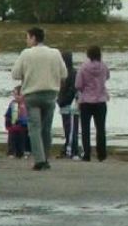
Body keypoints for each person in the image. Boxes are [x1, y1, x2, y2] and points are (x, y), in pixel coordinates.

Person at [12, 27, 67, 170]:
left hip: (32, 95)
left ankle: (39, 159)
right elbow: (64, 74)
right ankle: (46, 158)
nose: (27, 40)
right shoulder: (55, 53)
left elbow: (15, 74)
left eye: (27, 37)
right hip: (50, 94)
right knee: (46, 128)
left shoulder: (26, 53)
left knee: (34, 128)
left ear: (33, 38)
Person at [75, 45, 111, 162]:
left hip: (86, 100)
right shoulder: (103, 66)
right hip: (101, 100)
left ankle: (87, 154)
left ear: (88, 54)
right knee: (100, 128)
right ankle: (102, 154)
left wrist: (85, 90)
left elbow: (78, 84)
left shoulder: (84, 67)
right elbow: (107, 77)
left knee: (85, 128)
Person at [57, 51, 80, 159]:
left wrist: (64, 100)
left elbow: (73, 90)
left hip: (71, 106)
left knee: (71, 129)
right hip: (64, 105)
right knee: (69, 129)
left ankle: (72, 151)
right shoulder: (65, 73)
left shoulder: (72, 73)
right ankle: (69, 148)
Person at [5, 86, 30, 158]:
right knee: (12, 137)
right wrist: (8, 123)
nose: (16, 97)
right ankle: (11, 151)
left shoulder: (27, 103)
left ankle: (24, 151)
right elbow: (8, 114)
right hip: (14, 124)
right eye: (15, 94)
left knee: (23, 138)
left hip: (24, 125)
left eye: (19, 95)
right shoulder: (13, 103)